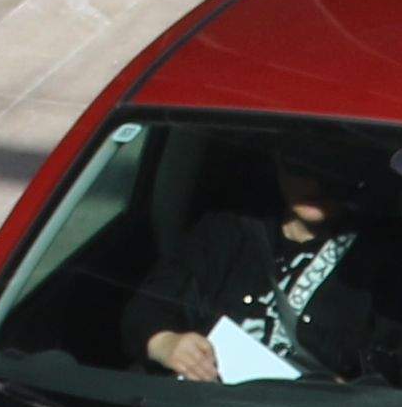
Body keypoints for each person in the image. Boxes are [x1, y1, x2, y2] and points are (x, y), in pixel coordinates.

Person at [134, 160, 370, 384]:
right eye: (302, 167)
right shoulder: (227, 230)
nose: (316, 183)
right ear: (279, 164)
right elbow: (151, 304)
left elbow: (398, 377)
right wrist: (166, 343)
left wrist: (348, 396)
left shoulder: (380, 263)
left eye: (332, 168)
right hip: (203, 406)